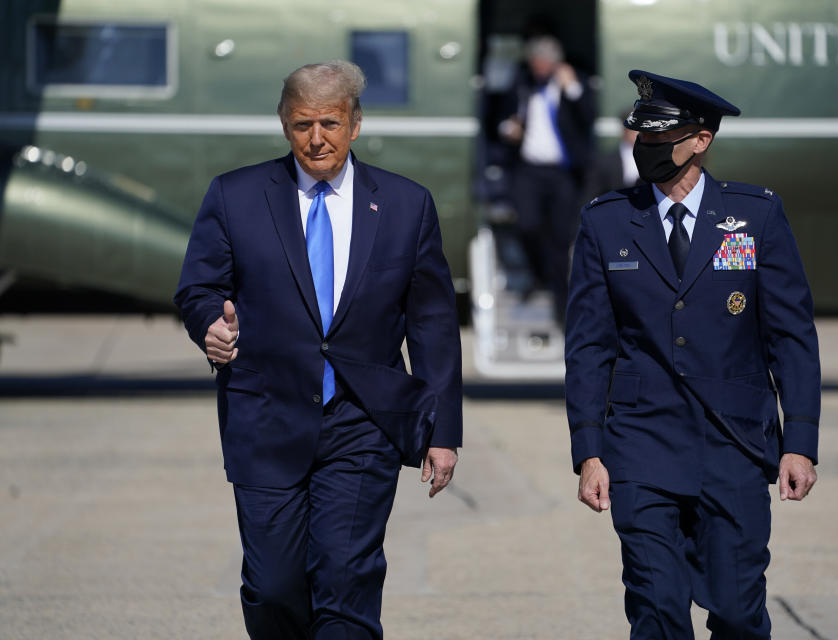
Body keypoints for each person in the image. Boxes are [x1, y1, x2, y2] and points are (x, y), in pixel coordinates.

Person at [174, 61, 462, 640]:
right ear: (285, 125)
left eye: (330, 122)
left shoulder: (406, 205)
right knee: (273, 587)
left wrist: (443, 430)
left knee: (346, 578)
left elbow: (432, 324)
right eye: (302, 123)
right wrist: (210, 325)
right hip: (266, 417)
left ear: (355, 123)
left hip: (364, 419)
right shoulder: (236, 196)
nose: (317, 138)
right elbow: (199, 287)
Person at [565, 70, 820, 639]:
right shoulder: (606, 221)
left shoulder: (755, 216)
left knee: (735, 611)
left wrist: (799, 442)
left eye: (660, 139)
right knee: (656, 607)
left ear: (701, 140)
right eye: (640, 138)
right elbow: (588, 346)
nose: (645, 149)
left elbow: (792, 338)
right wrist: (588, 450)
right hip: (640, 444)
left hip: (733, 442)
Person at [499, 35, 595, 322]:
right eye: (534, 64)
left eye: (542, 64)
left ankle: (560, 304)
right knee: (526, 224)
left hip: (562, 172)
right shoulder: (523, 82)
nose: (538, 69)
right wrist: (509, 129)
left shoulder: (574, 81)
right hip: (529, 169)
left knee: (560, 237)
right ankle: (537, 276)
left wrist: (573, 88)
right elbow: (502, 115)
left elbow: (588, 117)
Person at [583, 108, 640, 200]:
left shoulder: (658, 159)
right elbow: (590, 197)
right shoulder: (603, 162)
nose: (640, 133)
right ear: (624, 130)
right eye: (636, 128)